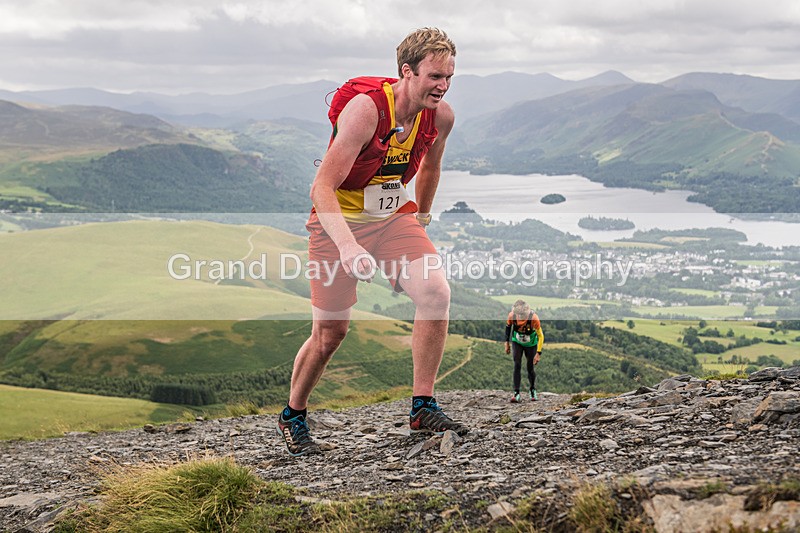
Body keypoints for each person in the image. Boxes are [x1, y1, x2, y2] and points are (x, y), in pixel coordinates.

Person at [277, 28, 467, 456]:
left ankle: (422, 405)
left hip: (392, 217)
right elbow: (321, 187)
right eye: (435, 76)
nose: (443, 85)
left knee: (435, 291)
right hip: (338, 220)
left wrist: (420, 217)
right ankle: (293, 415)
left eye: (449, 76)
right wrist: (347, 246)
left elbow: (430, 169)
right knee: (330, 332)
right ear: (407, 71)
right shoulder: (366, 111)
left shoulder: (441, 117)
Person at [505, 299, 544, 403]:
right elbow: (508, 328)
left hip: (531, 344)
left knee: (530, 367)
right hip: (517, 342)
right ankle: (516, 393)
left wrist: (538, 353)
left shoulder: (534, 318)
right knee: (517, 365)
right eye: (519, 315)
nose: (521, 317)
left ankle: (532, 389)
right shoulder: (511, 316)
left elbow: (540, 336)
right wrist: (506, 343)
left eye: (523, 315)